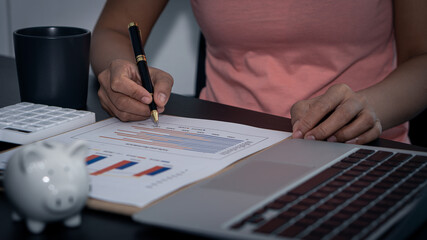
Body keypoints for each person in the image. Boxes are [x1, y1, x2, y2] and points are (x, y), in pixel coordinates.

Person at [90, 0, 427, 145]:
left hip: (360, 152)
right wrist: (118, 72)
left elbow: (422, 57)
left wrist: (369, 109)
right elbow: (116, 30)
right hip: (219, 148)